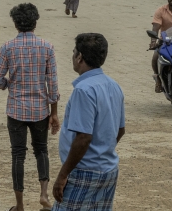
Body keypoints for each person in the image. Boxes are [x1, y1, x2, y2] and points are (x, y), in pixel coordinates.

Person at [0, 3, 60, 211]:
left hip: (16, 109)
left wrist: (8, 85)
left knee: (18, 155)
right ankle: (44, 194)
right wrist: (54, 113)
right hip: (40, 110)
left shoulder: (8, 47)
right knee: (42, 151)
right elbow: (53, 84)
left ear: (15, 23)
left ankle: (20, 204)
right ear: (35, 21)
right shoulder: (47, 47)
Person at [53, 33, 125, 210]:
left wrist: (63, 175)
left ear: (80, 57)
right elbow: (120, 130)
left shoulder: (83, 90)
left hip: (84, 172)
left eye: (74, 52)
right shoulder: (113, 85)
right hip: (108, 170)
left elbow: (83, 137)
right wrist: (102, 151)